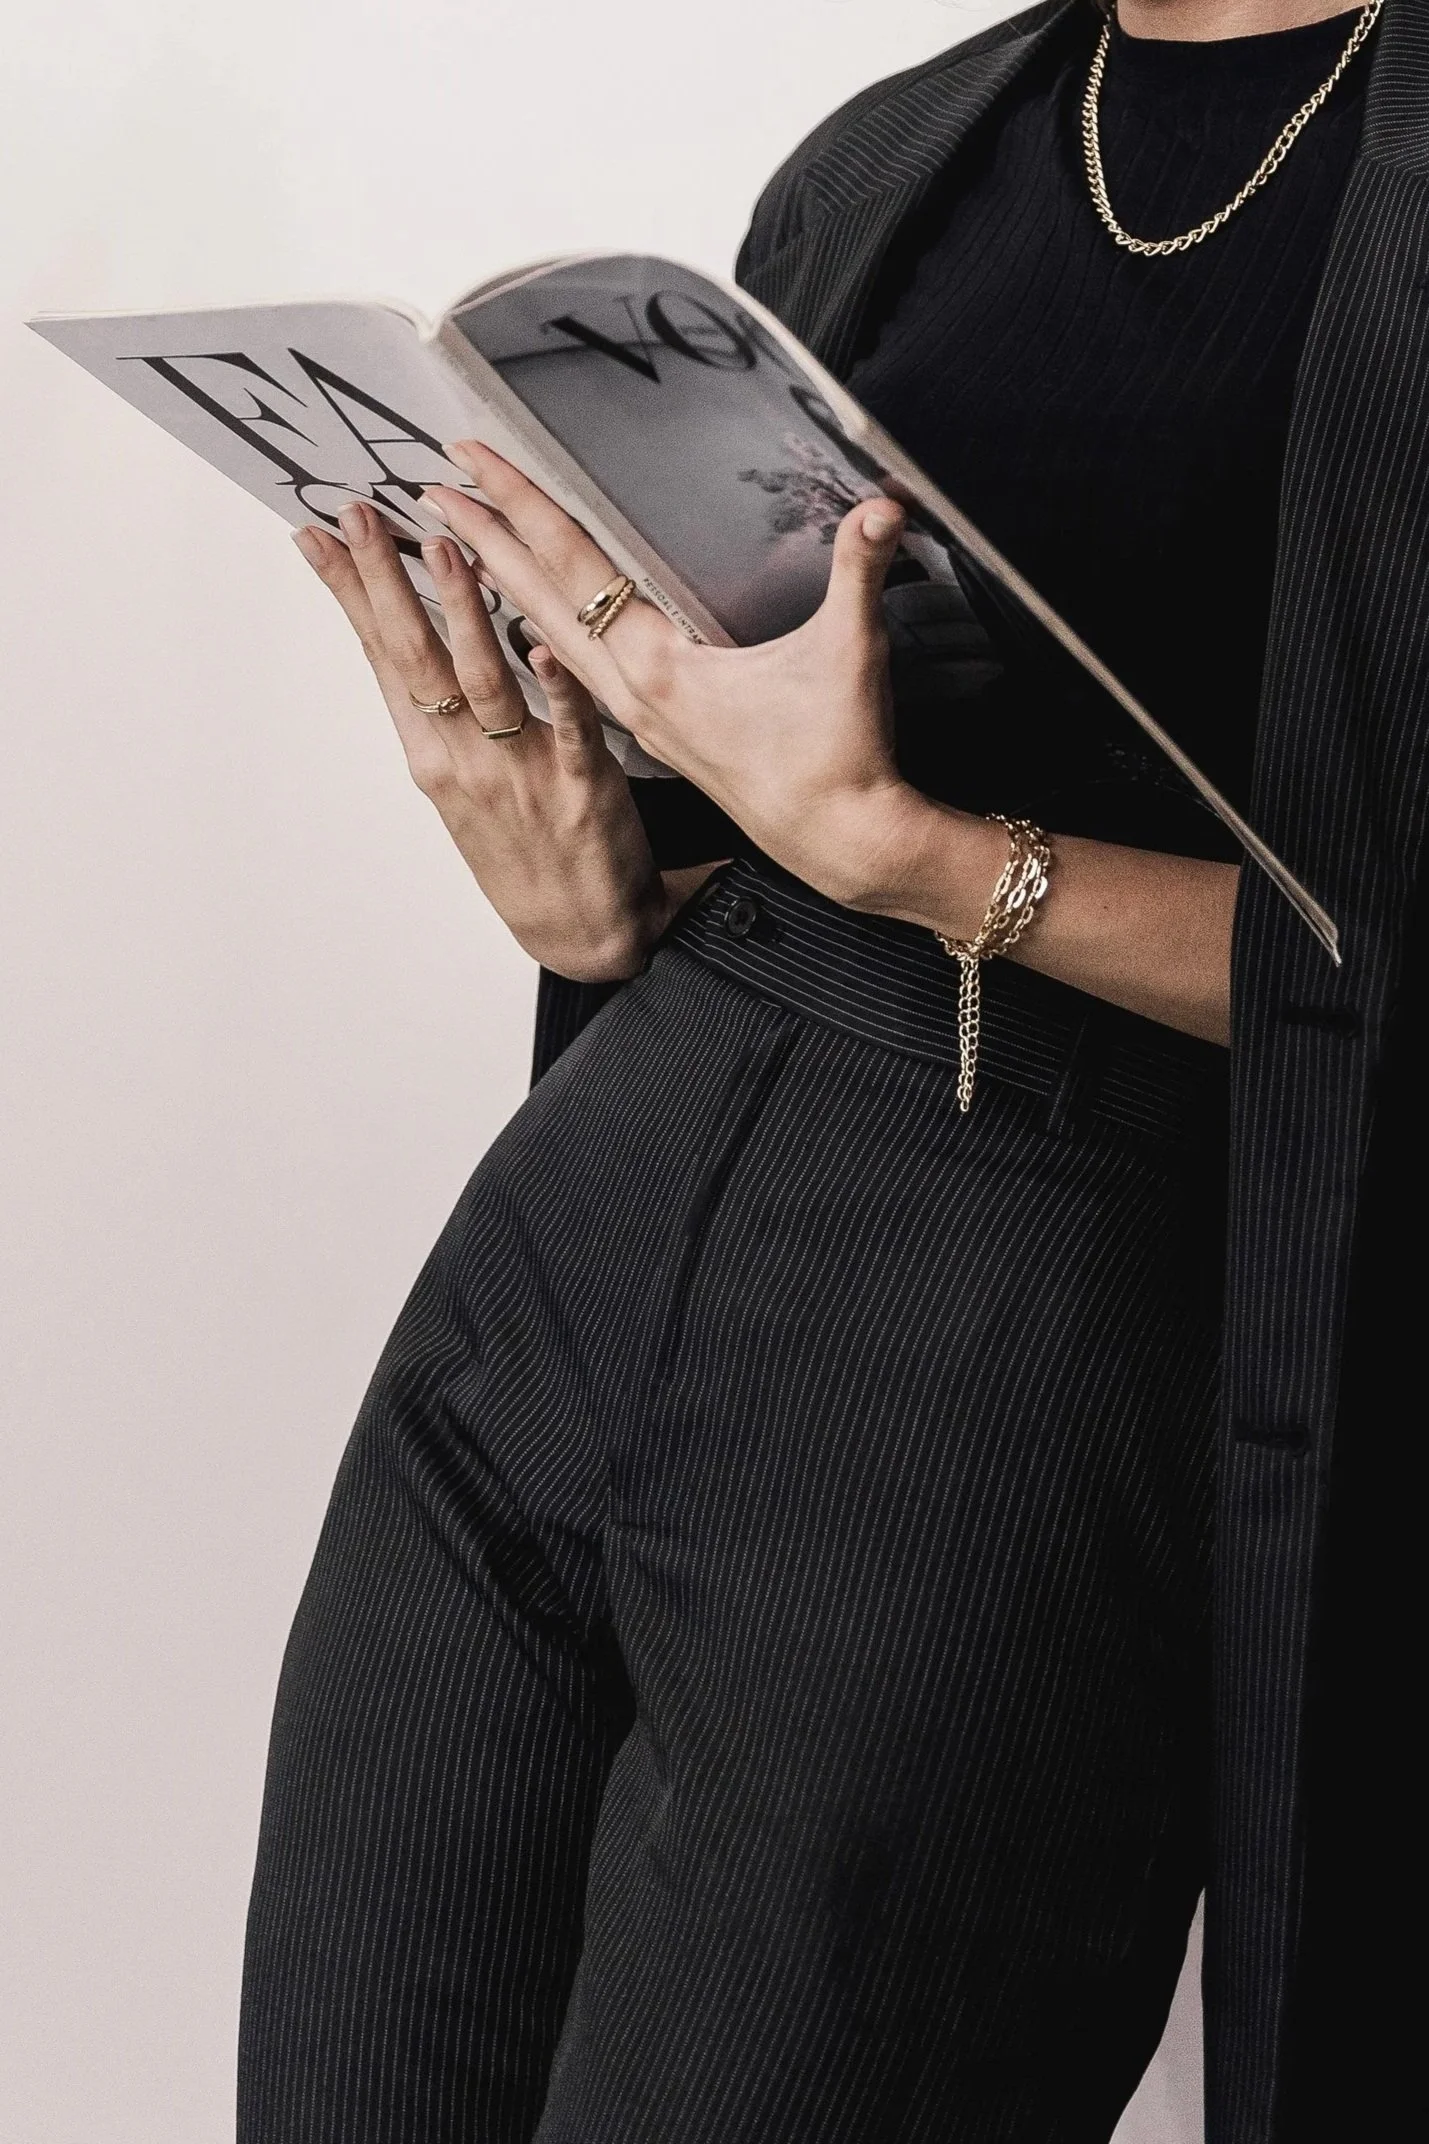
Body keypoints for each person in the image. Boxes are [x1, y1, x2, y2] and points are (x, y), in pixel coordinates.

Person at [238, 1, 1429, 2138]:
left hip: (1007, 1351)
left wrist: (921, 855)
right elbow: (744, 756)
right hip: (569, 1246)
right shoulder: (896, 156)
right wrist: (596, 892)